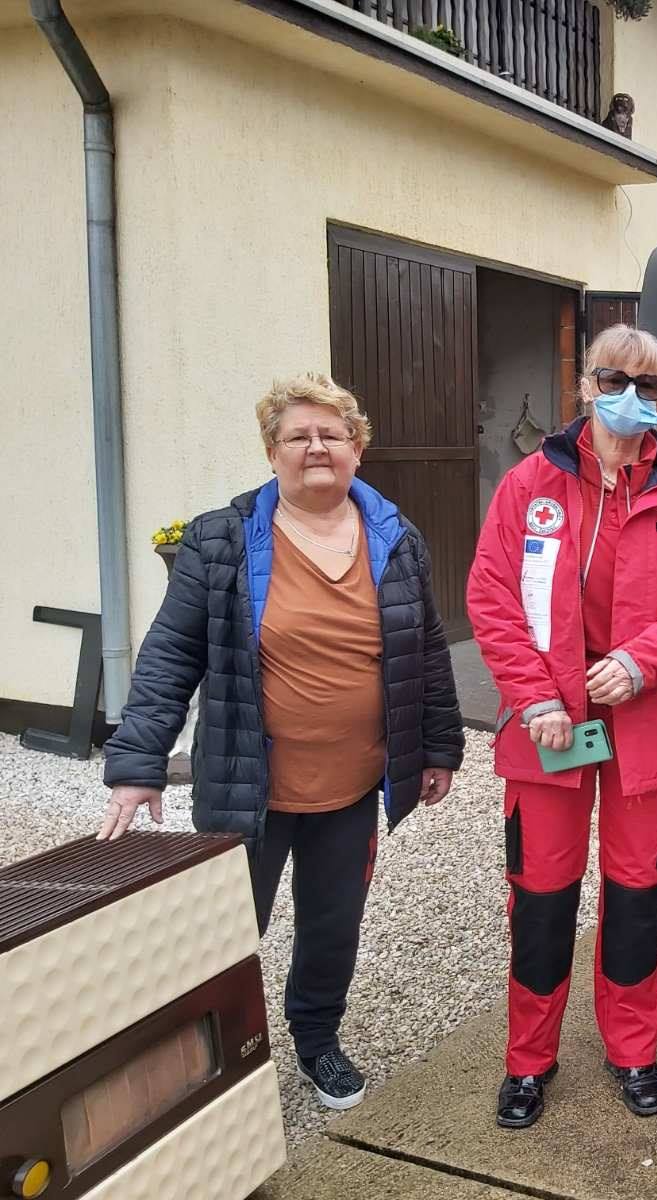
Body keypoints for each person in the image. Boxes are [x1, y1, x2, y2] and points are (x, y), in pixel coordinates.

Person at [100, 373, 465, 1110]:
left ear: (358, 448)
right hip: (248, 785)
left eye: (333, 434)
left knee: (332, 926)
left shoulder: (396, 538)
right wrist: (138, 765)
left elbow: (425, 648)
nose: (316, 447)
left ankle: (317, 1040)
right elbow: (171, 653)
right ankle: (213, 1063)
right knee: (228, 929)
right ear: (272, 453)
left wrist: (438, 746)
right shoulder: (222, 539)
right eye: (298, 436)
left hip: (352, 785)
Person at [467, 324, 657, 1129]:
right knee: (541, 899)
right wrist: (535, 697)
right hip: (549, 726)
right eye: (616, 380)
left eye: (649, 386)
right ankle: (528, 1061)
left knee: (637, 897)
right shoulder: (530, 484)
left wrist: (643, 662)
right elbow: (492, 598)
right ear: (586, 386)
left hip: (646, 723)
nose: (632, 397)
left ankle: (633, 1050)